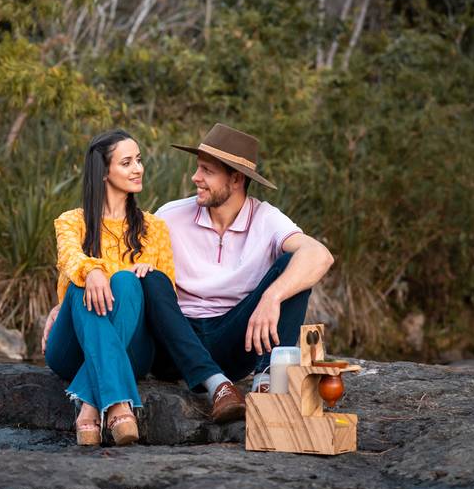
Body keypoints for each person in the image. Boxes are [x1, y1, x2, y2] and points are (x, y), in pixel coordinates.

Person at [140, 122, 335, 423]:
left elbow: (319, 255)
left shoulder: (266, 218)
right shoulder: (170, 215)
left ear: (236, 178)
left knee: (292, 267)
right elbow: (122, 263)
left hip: (236, 342)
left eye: (207, 170)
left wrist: (272, 296)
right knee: (148, 278)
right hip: (175, 344)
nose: (196, 177)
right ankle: (218, 387)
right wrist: (68, 300)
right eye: (197, 168)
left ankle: (267, 382)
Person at [42, 130, 175, 446]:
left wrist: (139, 275)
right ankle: (116, 402)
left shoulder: (154, 228)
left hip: (133, 349)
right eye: (127, 162)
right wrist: (93, 272)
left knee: (127, 282)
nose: (138, 169)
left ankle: (90, 404)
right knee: (80, 285)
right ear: (103, 172)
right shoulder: (70, 222)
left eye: (139, 160)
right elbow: (71, 259)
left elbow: (168, 291)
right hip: (71, 348)